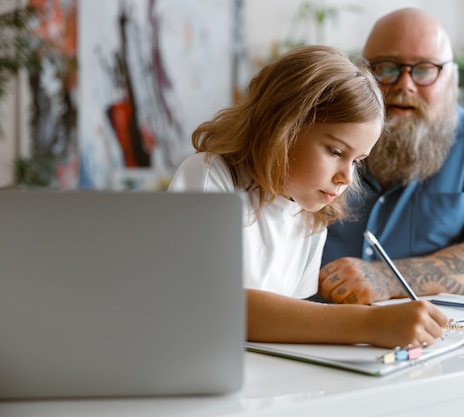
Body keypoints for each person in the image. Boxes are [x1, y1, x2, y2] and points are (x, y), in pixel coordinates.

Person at [168, 45, 449, 349]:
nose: (346, 177)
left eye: (356, 161)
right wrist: (369, 325)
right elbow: (212, 306)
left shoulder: (310, 211)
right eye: (335, 151)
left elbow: (292, 321)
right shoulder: (210, 175)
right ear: (282, 127)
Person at [319, 8, 464, 304]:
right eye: (386, 67)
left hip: (429, 338)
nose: (404, 84)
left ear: (451, 79)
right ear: (362, 70)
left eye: (424, 69)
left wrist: (387, 277)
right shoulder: (318, 129)